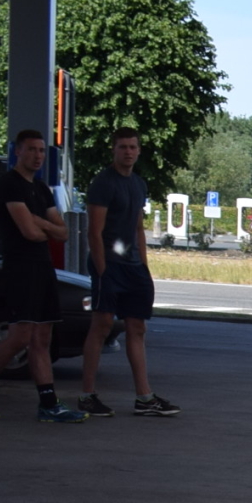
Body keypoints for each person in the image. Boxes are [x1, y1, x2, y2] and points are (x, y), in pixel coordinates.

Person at [0, 128, 87, 423]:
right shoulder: (10, 185)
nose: (37, 156)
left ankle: (48, 404)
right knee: (20, 335)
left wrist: (39, 222)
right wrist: (40, 223)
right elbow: (31, 233)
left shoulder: (42, 189)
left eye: (41, 151)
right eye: (31, 150)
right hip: (20, 267)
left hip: (42, 266)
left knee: (42, 337)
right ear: (17, 151)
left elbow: (64, 232)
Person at [77, 127, 180, 417]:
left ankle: (144, 397)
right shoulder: (103, 183)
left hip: (133, 267)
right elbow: (93, 233)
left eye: (133, 147)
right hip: (108, 265)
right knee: (102, 325)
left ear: (139, 150)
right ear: (114, 150)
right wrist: (102, 271)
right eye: (122, 147)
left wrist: (144, 267)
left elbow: (137, 228)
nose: (128, 152)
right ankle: (87, 395)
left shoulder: (138, 184)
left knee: (137, 328)